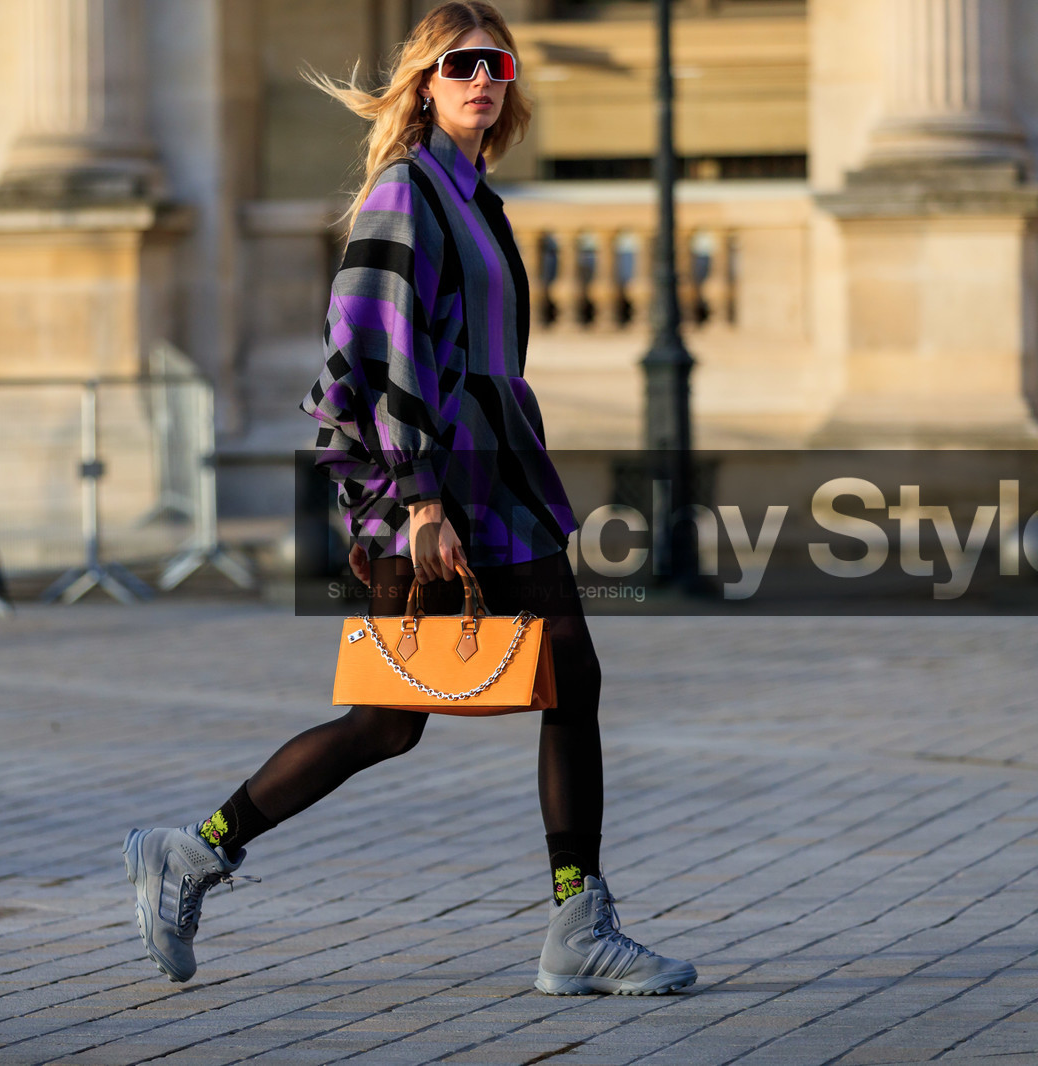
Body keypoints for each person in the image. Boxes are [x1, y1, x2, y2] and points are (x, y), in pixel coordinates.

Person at [124, 0, 696, 997]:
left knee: (456, 703)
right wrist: (418, 500)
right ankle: (196, 850)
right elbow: (374, 350)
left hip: (490, 468)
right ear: (424, 84)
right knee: (418, 710)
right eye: (460, 64)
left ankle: (201, 851)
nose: (483, 80)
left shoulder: (476, 199)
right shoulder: (407, 190)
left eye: (497, 66)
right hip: (436, 478)